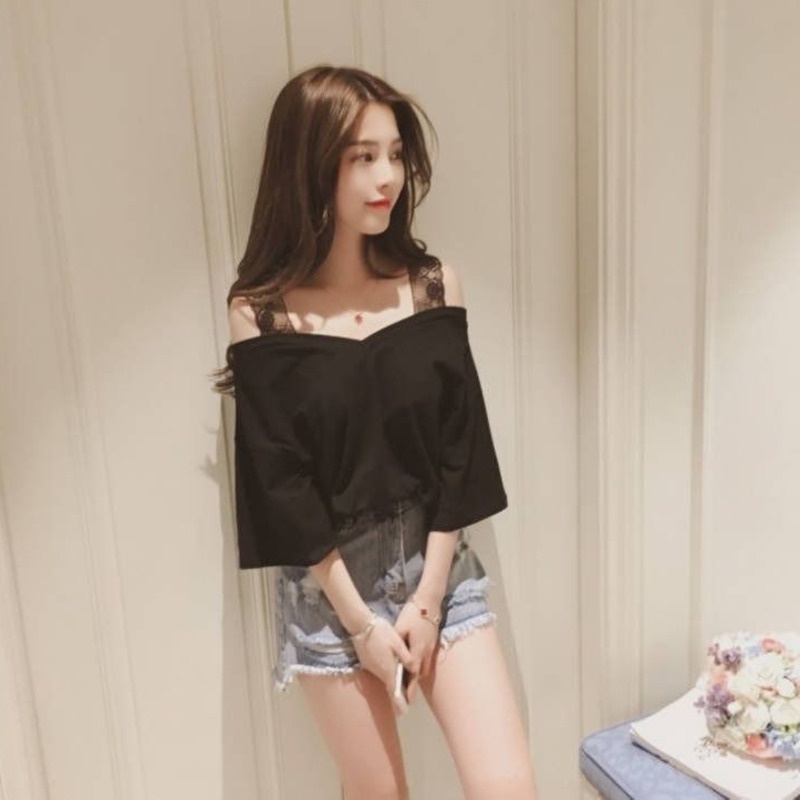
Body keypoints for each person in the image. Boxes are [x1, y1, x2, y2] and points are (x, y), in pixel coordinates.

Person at [212, 64, 538, 800]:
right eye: (362, 157)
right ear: (310, 165)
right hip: (330, 585)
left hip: (437, 563)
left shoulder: (431, 286)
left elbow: (460, 450)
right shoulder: (261, 313)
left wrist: (426, 600)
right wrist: (362, 626)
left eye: (393, 154)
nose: (386, 176)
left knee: (507, 785)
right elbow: (283, 486)